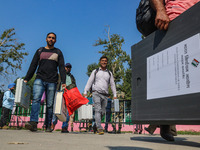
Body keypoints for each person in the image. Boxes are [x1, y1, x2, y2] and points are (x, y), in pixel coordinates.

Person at [145, 0, 200, 141]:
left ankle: (163, 122)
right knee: (175, 78)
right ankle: (165, 122)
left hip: (196, 20)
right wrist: (160, 10)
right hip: (174, 23)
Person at [24, 32, 66, 132]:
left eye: (53, 38)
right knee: (36, 100)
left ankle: (48, 125)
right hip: (39, 79)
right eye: (49, 37)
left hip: (52, 81)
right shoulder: (40, 51)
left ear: (55, 41)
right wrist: (27, 78)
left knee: (50, 104)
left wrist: (63, 81)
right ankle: (33, 122)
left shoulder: (58, 52)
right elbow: (33, 65)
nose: (51, 39)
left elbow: (61, 67)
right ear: (46, 39)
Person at [83, 56, 117, 135]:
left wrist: (115, 94)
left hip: (105, 95)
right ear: (100, 62)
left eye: (105, 61)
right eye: (102, 61)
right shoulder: (95, 71)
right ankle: (99, 128)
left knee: (102, 112)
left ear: (107, 62)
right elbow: (90, 82)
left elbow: (112, 84)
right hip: (96, 93)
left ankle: (95, 125)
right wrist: (85, 91)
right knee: (97, 110)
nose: (104, 62)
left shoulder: (109, 73)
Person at [52, 63, 76, 133]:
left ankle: (64, 127)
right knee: (57, 108)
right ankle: (53, 123)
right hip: (60, 92)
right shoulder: (60, 75)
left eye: (69, 67)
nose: (68, 68)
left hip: (69, 94)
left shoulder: (72, 77)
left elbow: (74, 85)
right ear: (64, 67)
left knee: (68, 111)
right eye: (67, 67)